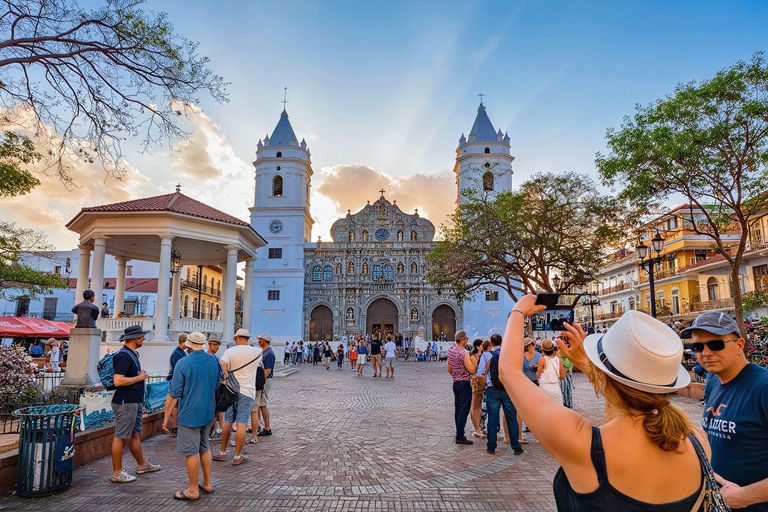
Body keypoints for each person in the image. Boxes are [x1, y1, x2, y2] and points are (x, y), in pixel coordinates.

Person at [502, 295, 707, 511]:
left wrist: (518, 313)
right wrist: (591, 366)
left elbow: (509, 371)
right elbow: (626, 395)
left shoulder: (585, 444)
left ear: (606, 375)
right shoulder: (698, 442)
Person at [681, 312, 768, 511]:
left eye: (716, 344)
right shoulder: (713, 381)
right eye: (697, 347)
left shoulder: (763, 387)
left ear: (739, 345)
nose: (706, 353)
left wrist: (745, 497)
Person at [162, 331, 221, 501]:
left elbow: (174, 393)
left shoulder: (183, 362)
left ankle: (193, 490)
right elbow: (218, 381)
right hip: (208, 410)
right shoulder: (213, 360)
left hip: (190, 412)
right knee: (205, 447)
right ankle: (207, 483)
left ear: (188, 344)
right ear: (203, 343)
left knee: (191, 452)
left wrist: (167, 417)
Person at [110, 325, 160, 482]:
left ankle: (141, 464)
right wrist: (139, 378)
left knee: (134, 435)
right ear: (133, 338)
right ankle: (117, 473)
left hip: (133, 401)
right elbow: (118, 380)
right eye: (141, 336)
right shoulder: (124, 356)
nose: (143, 338)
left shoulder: (131, 354)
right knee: (120, 436)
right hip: (126, 402)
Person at [214, 329, 262, 465]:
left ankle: (222, 452)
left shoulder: (230, 352)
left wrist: (225, 376)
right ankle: (237, 456)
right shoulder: (257, 352)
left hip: (231, 390)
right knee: (241, 423)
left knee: (228, 421)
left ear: (237, 338)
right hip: (247, 391)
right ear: (247, 338)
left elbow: (222, 363)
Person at [484, 334, 523, 455]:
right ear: (502, 342)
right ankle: (516, 446)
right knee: (511, 418)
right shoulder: (508, 356)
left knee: (492, 418)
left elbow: (481, 372)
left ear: (491, 343)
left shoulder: (489, 356)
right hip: (507, 389)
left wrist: (486, 385)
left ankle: (491, 446)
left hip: (493, 389)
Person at [447, 330, 478, 445]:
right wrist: (474, 362)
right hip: (464, 383)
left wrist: (456, 375)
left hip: (455, 383)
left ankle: (458, 433)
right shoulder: (464, 353)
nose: (467, 340)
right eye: (466, 339)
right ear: (463, 339)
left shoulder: (451, 351)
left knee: (458, 409)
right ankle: (460, 436)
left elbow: (449, 369)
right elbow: (471, 370)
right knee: (464, 410)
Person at [252, 333, 275, 438]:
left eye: (260, 340)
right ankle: (258, 425)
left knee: (262, 403)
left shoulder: (269, 353)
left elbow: (268, 370)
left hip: (265, 380)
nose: (258, 341)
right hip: (263, 380)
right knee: (259, 404)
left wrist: (260, 381)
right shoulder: (264, 352)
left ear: (264, 341)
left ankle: (267, 427)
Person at [166, 333, 189, 437]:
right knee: (175, 405)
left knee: (177, 405)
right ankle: (175, 426)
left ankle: (177, 426)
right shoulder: (177, 353)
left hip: (179, 382)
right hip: (176, 382)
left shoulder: (181, 353)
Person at [471, 339, 492, 439]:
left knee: (479, 406)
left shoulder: (482, 355)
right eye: (480, 345)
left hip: (481, 382)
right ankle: (476, 429)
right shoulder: (474, 356)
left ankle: (480, 426)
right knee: (475, 406)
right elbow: (475, 370)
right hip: (477, 382)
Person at [206, 334, 224, 440]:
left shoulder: (216, 357)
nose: (217, 347)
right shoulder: (208, 357)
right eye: (215, 345)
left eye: (218, 345)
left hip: (217, 388)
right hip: (212, 389)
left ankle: (213, 431)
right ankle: (209, 431)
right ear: (209, 345)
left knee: (217, 411)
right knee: (212, 411)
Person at [537, 339, 565, 404]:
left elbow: (538, 375)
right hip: (556, 389)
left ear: (542, 349)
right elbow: (563, 376)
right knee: (557, 411)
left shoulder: (542, 360)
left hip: (544, 389)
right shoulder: (558, 360)